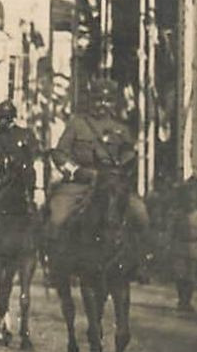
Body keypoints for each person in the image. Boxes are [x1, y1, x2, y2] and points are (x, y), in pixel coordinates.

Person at [44, 77, 149, 240]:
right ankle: (51, 258)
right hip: (81, 185)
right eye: (98, 100)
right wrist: (77, 171)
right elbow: (59, 153)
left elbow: (128, 154)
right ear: (90, 101)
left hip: (113, 185)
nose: (103, 104)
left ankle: (143, 260)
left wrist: (122, 167)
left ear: (114, 103)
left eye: (108, 100)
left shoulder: (121, 128)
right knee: (58, 216)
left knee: (141, 213)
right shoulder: (77, 124)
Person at [0, 100, 40, 215]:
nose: (0, 121)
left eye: (4, 117)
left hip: (22, 180)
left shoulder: (26, 135)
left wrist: (23, 163)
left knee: (34, 208)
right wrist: (0, 162)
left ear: (12, 117)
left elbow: (35, 155)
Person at [170, 179, 197, 312]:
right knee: (179, 275)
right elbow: (171, 231)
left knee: (190, 276)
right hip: (180, 246)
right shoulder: (177, 215)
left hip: (194, 247)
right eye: (188, 201)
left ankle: (187, 300)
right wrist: (169, 246)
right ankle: (181, 299)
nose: (190, 204)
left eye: (192, 202)